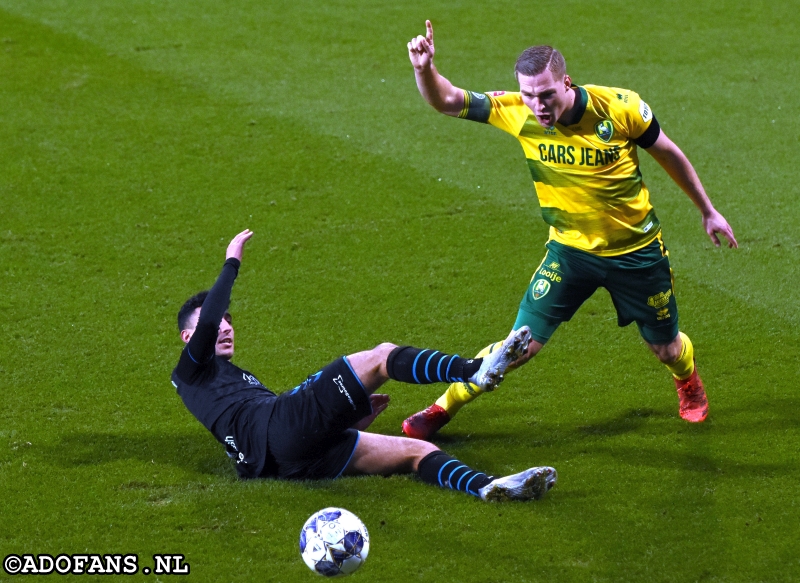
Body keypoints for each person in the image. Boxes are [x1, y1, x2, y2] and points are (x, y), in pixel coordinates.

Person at [402, 21, 738, 440]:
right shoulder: (517, 112)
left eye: (546, 94)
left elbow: (668, 153)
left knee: (666, 348)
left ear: (566, 82)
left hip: (636, 252)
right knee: (518, 345)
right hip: (570, 253)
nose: (538, 105)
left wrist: (708, 211)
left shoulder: (620, 108)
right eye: (528, 95)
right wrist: (424, 69)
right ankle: (442, 407)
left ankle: (686, 378)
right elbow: (447, 100)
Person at [171, 229, 557, 502]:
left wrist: (347, 420)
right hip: (278, 428)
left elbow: (282, 439)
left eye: (227, 322)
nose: (223, 327)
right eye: (214, 323)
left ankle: (487, 487)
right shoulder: (189, 370)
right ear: (189, 339)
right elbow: (208, 322)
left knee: (414, 451)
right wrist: (232, 261)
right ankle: (474, 370)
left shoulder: (222, 383)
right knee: (381, 356)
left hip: (283, 464)